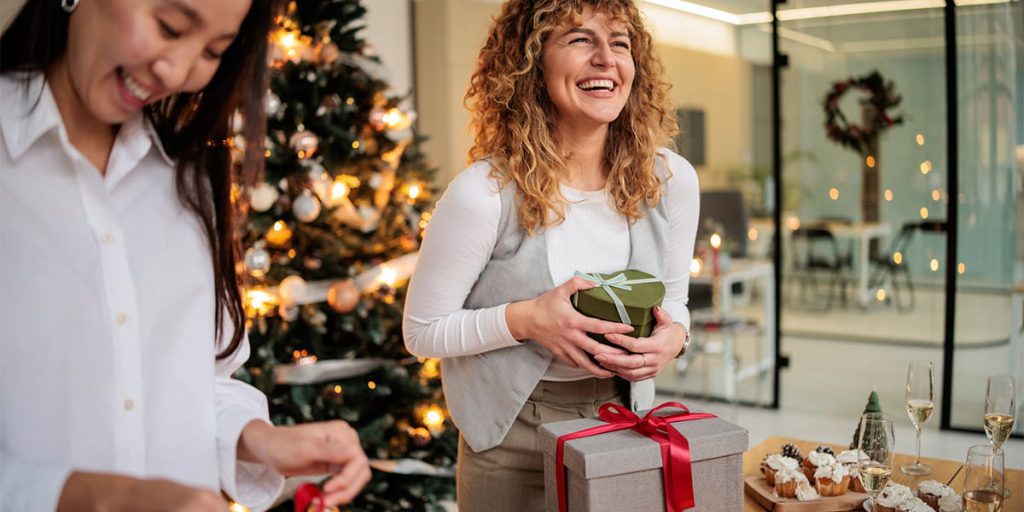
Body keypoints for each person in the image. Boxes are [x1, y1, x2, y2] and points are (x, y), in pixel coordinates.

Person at [0, 1, 370, 510]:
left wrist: (259, 439)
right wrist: (100, 497)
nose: (176, 72)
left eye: (214, 50)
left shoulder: (185, 180)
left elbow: (193, 383)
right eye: (169, 26)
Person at [402, 0, 699, 510]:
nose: (606, 58)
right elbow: (421, 331)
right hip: (510, 438)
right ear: (532, 62)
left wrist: (676, 338)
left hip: (624, 423)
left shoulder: (669, 181)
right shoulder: (483, 194)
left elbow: (675, 302)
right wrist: (528, 320)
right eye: (580, 39)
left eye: (620, 42)